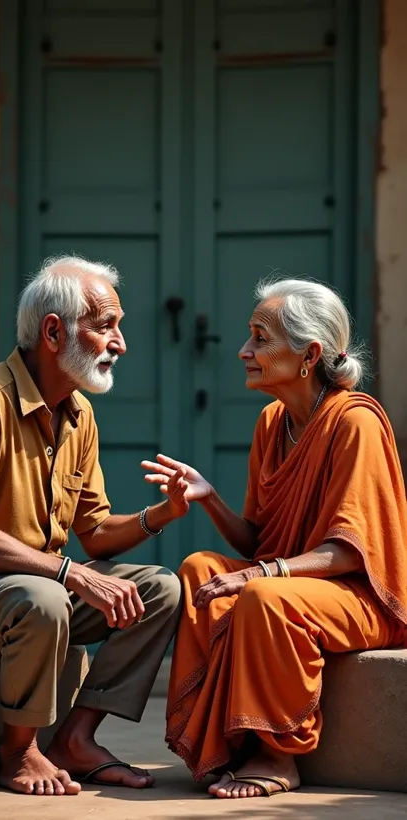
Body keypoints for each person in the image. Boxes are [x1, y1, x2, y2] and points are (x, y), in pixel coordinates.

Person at [142, 277, 407, 800]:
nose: (243, 351)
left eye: (260, 339)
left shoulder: (357, 423)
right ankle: (224, 744)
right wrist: (208, 496)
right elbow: (259, 543)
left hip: (361, 598)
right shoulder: (272, 423)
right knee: (199, 567)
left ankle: (278, 755)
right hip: (295, 589)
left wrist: (263, 573)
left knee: (263, 592)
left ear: (309, 355)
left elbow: (349, 552)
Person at [0, 254, 183, 797]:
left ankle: (75, 736)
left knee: (160, 589)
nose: (120, 343)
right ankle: (18, 751)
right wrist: (71, 573)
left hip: (39, 588)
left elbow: (94, 532)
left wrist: (160, 514)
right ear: (53, 331)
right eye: (106, 326)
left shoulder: (79, 414)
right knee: (43, 599)